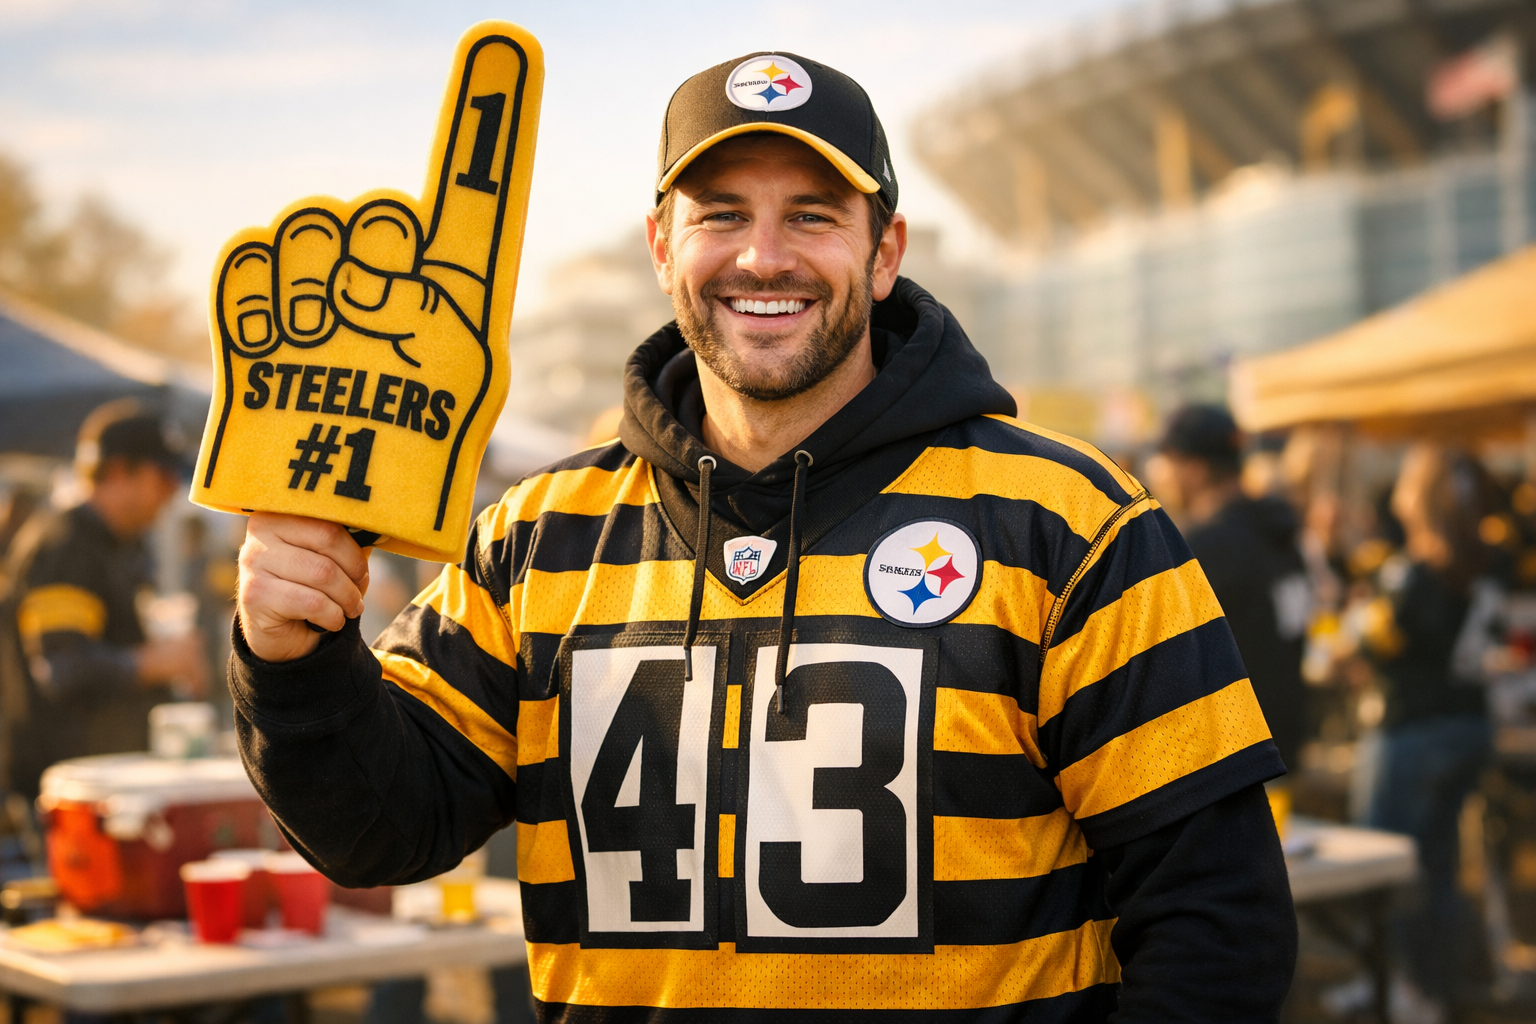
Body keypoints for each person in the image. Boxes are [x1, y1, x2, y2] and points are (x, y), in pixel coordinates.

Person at [230, 53, 1296, 1021]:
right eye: (722, 214)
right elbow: (380, 827)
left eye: (813, 215)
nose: (764, 256)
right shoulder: (538, 537)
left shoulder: (1070, 523)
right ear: (663, 248)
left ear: (885, 252)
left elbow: (1218, 924)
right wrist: (293, 651)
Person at [1, 401, 208, 799]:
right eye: (164, 476)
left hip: (109, 779)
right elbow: (63, 667)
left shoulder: (117, 544)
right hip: (68, 789)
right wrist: (157, 662)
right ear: (117, 471)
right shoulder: (66, 545)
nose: (172, 492)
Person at [1363, 443, 1499, 1009]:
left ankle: (1401, 987)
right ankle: (1438, 987)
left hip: (1414, 729)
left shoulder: (1410, 573)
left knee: (1386, 866)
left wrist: (1355, 639)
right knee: (1440, 865)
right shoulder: (1483, 561)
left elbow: (1377, 647)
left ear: (1416, 495)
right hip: (1469, 723)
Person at [1158, 405, 1309, 771]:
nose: (1160, 475)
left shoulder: (1200, 547)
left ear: (1194, 469)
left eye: (1168, 462)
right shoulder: (1278, 530)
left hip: (1226, 747)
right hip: (1284, 732)